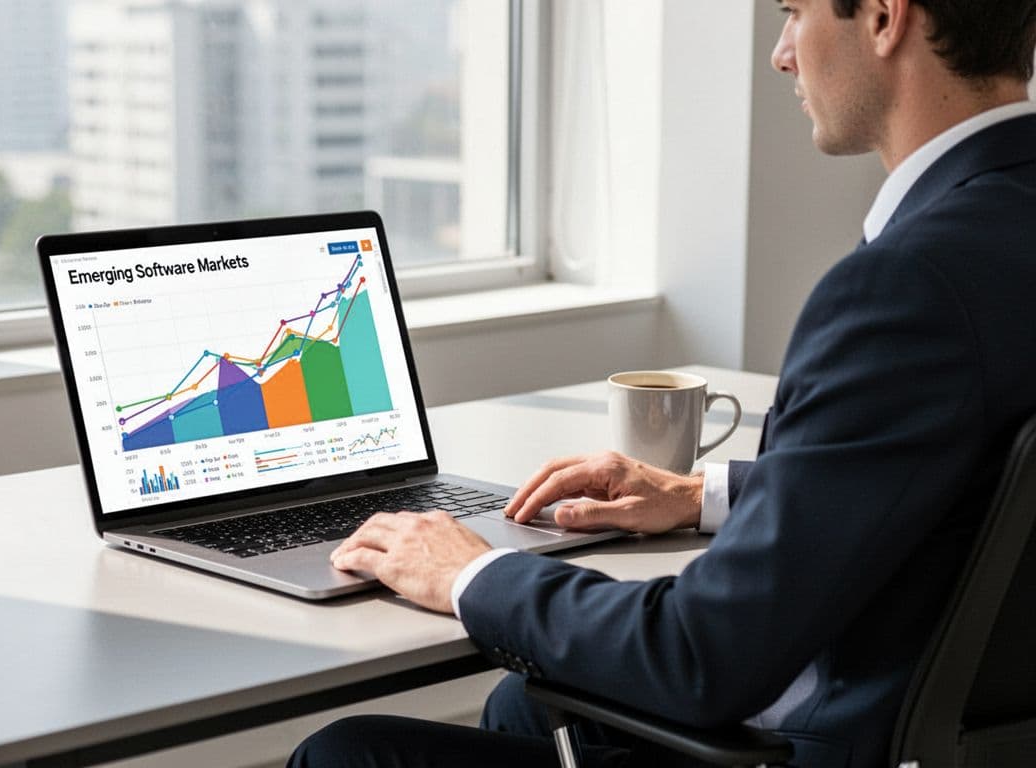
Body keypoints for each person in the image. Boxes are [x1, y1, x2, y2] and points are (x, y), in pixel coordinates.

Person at [288, 0, 1036, 766]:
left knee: (349, 753)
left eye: (795, 13)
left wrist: (468, 573)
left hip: (837, 739)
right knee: (525, 705)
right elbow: (962, 479)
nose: (782, 54)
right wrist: (703, 495)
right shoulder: (999, 228)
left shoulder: (904, 285)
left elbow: (703, 657)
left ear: (883, 17)